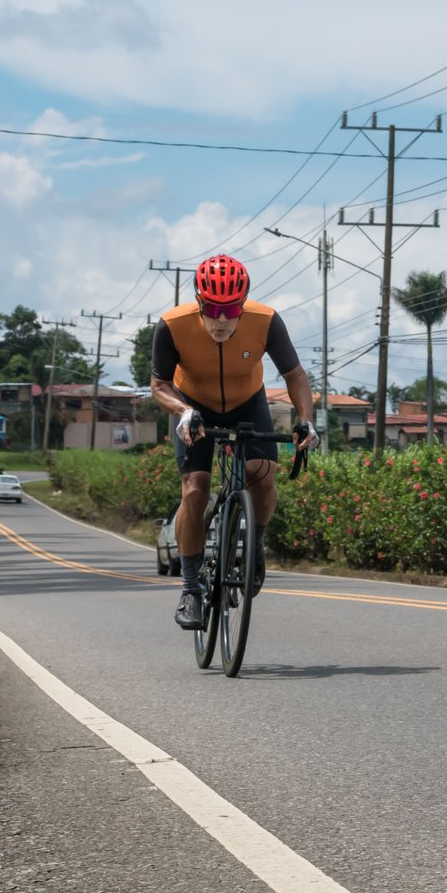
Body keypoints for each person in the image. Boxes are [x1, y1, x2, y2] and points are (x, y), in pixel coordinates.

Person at [148, 254, 319, 631]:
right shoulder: (172, 325)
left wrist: (305, 420)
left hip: (247, 403)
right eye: (212, 309)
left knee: (263, 475)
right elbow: (159, 385)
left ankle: (254, 543)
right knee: (195, 489)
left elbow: (295, 375)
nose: (221, 320)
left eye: (231, 310)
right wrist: (183, 411)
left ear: (243, 304)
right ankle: (190, 589)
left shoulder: (266, 321)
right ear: (198, 302)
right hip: (193, 407)